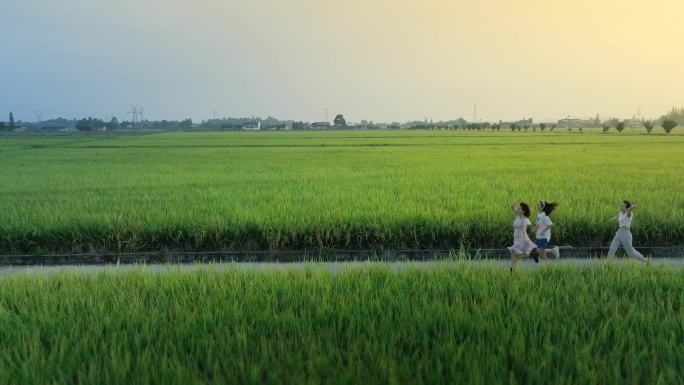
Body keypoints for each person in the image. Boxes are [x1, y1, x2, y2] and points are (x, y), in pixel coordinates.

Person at [508, 202, 537, 272]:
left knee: (515, 252)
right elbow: (514, 208)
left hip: (521, 237)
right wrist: (513, 206)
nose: (518, 208)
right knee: (515, 252)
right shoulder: (518, 215)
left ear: (523, 211)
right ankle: (513, 268)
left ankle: (513, 268)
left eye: (519, 208)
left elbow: (524, 231)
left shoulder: (525, 220)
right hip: (516, 237)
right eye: (518, 208)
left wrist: (526, 240)